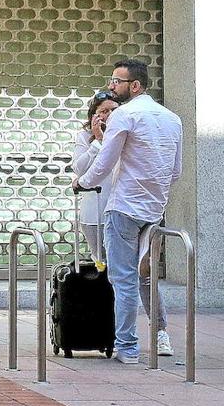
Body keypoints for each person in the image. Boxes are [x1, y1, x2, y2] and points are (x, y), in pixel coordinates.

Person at [75, 59, 181, 364]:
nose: (111, 86)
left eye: (116, 81)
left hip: (123, 207)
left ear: (134, 86)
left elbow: (105, 163)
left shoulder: (125, 115)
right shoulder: (172, 119)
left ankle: (128, 348)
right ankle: (159, 333)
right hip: (155, 209)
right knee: (146, 277)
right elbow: (176, 171)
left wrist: (81, 182)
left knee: (123, 280)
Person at [73, 91, 120, 265]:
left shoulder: (124, 135)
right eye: (104, 111)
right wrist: (98, 141)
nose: (109, 115)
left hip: (121, 210)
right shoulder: (85, 137)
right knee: (101, 261)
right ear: (94, 115)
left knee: (120, 263)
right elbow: (80, 169)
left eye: (113, 110)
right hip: (95, 211)